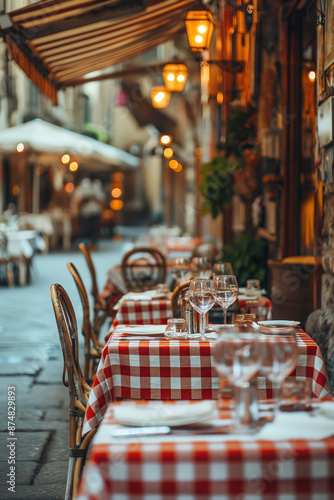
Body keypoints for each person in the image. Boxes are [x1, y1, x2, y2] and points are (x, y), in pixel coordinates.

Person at [73, 177, 105, 249]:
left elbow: (101, 200)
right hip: (86, 213)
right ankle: (85, 243)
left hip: (95, 212)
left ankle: (93, 243)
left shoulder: (97, 188)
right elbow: (78, 201)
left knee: (94, 229)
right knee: (86, 229)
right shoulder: (82, 189)